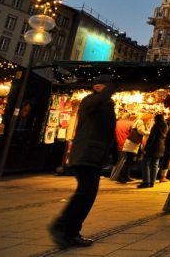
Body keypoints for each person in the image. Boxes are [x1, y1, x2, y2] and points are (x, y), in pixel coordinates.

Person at [48, 75, 117, 248]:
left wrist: (113, 154)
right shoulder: (90, 101)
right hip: (86, 154)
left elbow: (108, 133)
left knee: (87, 196)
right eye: (106, 87)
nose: (110, 90)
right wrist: (110, 87)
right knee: (85, 195)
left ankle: (71, 232)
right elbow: (99, 102)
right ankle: (61, 227)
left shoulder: (105, 105)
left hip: (94, 155)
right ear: (98, 87)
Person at [116, 111, 153, 183]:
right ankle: (122, 177)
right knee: (128, 161)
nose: (150, 120)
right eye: (150, 119)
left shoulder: (140, 122)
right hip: (131, 144)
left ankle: (125, 176)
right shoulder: (140, 122)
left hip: (132, 144)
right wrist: (149, 133)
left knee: (129, 161)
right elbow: (140, 131)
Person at [138, 112, 168, 188]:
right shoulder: (165, 126)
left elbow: (152, 138)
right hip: (161, 147)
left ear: (156, 119)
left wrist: (146, 148)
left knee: (145, 163)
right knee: (155, 164)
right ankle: (152, 182)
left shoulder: (156, 126)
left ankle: (146, 182)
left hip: (153, 147)